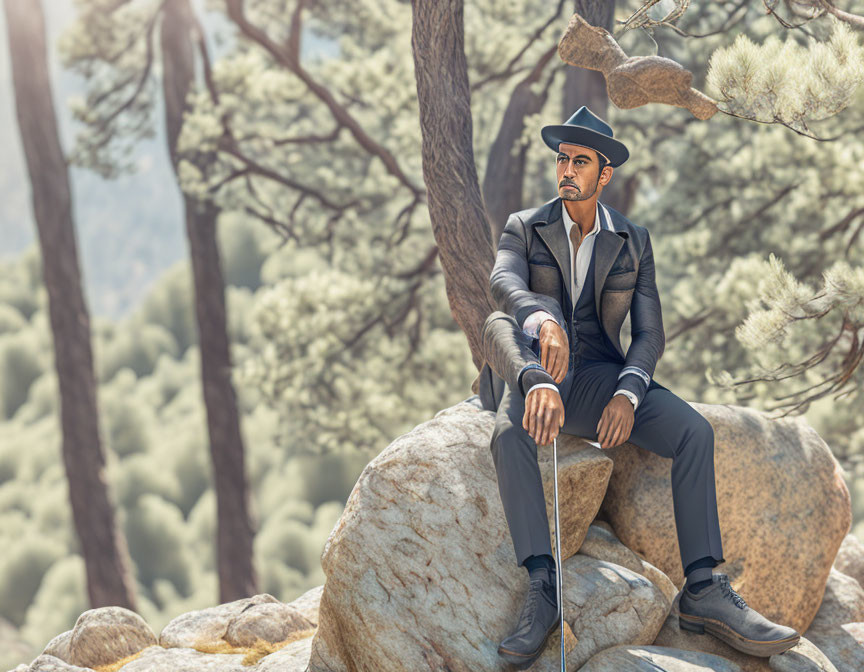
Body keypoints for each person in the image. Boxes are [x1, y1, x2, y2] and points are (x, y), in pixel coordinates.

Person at [479, 106, 801, 669]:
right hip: (534, 374)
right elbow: (503, 281)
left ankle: (702, 588)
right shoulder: (524, 226)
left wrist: (628, 393)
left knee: (694, 431)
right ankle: (543, 587)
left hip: (602, 377)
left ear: (604, 174)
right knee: (508, 428)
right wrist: (541, 329)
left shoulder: (633, 240)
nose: (568, 169)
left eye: (581, 161)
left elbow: (649, 334)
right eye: (563, 158)